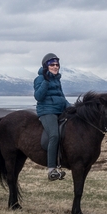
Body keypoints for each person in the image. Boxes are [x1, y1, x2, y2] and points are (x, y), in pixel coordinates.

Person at [34, 53, 68, 181]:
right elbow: (38, 96)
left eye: (57, 64)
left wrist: (72, 108)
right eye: (52, 64)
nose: (55, 67)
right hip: (47, 111)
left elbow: (61, 97)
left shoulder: (57, 78)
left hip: (60, 110)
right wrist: (46, 82)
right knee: (54, 135)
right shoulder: (40, 79)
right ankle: (51, 169)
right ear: (46, 66)